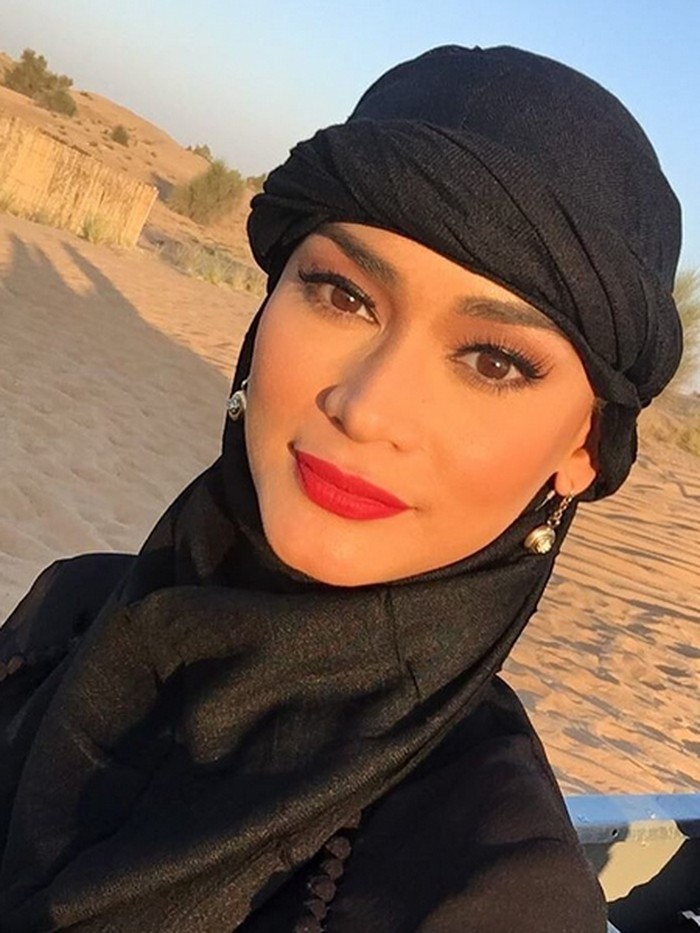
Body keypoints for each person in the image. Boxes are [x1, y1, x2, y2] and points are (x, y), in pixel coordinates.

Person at [0, 44, 682, 932]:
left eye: (493, 361)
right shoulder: (68, 612)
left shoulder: (493, 890)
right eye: (342, 295)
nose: (366, 408)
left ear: (586, 447)